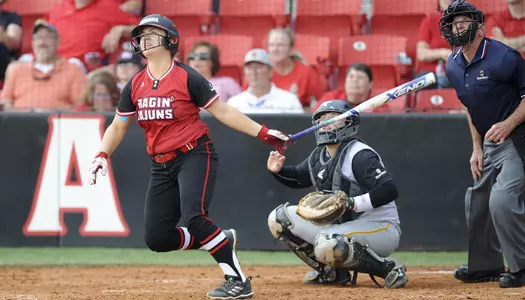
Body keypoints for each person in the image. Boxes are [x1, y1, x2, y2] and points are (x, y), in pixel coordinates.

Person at [87, 14, 290, 299]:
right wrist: (101, 153)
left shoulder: (187, 76)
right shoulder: (134, 84)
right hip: (160, 164)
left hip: (194, 153)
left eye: (151, 33)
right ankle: (221, 239)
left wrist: (264, 132)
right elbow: (118, 125)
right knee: (158, 238)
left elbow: (223, 111)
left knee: (195, 218)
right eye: (141, 34)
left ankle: (238, 281)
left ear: (171, 40)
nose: (144, 38)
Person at [266, 100, 408, 289]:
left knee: (328, 242)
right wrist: (278, 171)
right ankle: (331, 272)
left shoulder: (360, 155)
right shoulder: (320, 154)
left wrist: (351, 203)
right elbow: (299, 178)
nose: (325, 123)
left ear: (348, 123)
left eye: (333, 118)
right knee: (279, 218)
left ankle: (389, 268)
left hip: (381, 228)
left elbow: (389, 190)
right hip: (343, 229)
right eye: (322, 119)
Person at [439, 0, 525, 288]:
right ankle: (485, 266)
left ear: (480, 29)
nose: (457, 28)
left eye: (463, 23)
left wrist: (509, 123)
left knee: (502, 200)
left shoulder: (505, 57)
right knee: (475, 200)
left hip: (517, 139)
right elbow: (470, 106)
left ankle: (521, 267)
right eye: (453, 24)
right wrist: (476, 148)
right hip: (488, 143)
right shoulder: (452, 64)